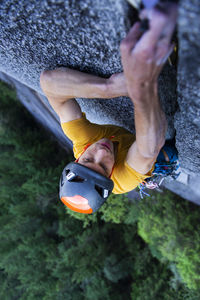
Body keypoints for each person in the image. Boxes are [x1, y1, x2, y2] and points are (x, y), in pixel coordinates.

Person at [40, 3, 178, 214]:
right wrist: (140, 87)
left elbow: (49, 83)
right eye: (104, 167)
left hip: (127, 133)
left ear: (78, 158)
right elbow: (147, 148)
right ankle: (157, 172)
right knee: (167, 150)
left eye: (87, 159)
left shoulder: (82, 141)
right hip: (149, 154)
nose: (100, 153)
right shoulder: (124, 179)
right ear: (110, 175)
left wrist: (110, 87)